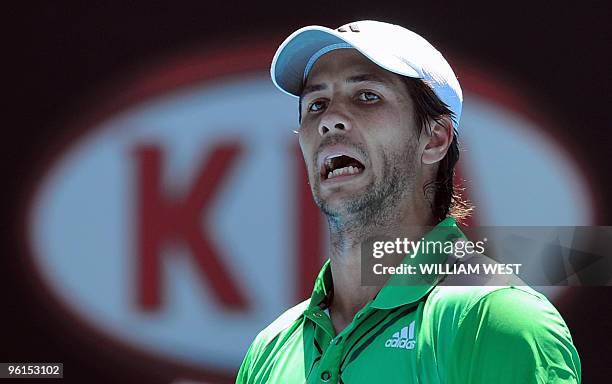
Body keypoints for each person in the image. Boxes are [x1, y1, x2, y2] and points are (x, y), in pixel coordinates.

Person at [236, 20, 581, 383]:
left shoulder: (496, 319)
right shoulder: (268, 350)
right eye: (316, 104)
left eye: (367, 96)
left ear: (435, 139)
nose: (330, 120)